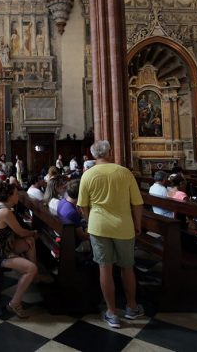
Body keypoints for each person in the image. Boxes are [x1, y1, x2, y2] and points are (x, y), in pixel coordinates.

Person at [78, 140, 144, 328]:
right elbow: (137, 203)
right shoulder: (124, 172)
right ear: (110, 152)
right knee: (127, 267)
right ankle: (131, 307)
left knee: (104, 268)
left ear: (93, 155)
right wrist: (138, 224)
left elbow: (83, 205)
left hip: (98, 226)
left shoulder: (88, 174)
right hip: (123, 225)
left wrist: (90, 220)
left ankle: (112, 313)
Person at [0, 182, 41, 318]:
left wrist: (30, 236)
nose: (18, 196)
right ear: (9, 196)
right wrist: (34, 232)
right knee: (31, 267)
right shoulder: (5, 212)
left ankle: (35, 277)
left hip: (0, 246)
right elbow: (20, 232)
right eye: (16, 194)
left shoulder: (0, 206)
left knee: (29, 241)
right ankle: (14, 303)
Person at [57, 179, 90, 250]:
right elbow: (83, 237)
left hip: (65, 236)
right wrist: (89, 228)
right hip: (75, 245)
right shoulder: (72, 212)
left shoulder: (62, 201)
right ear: (81, 194)